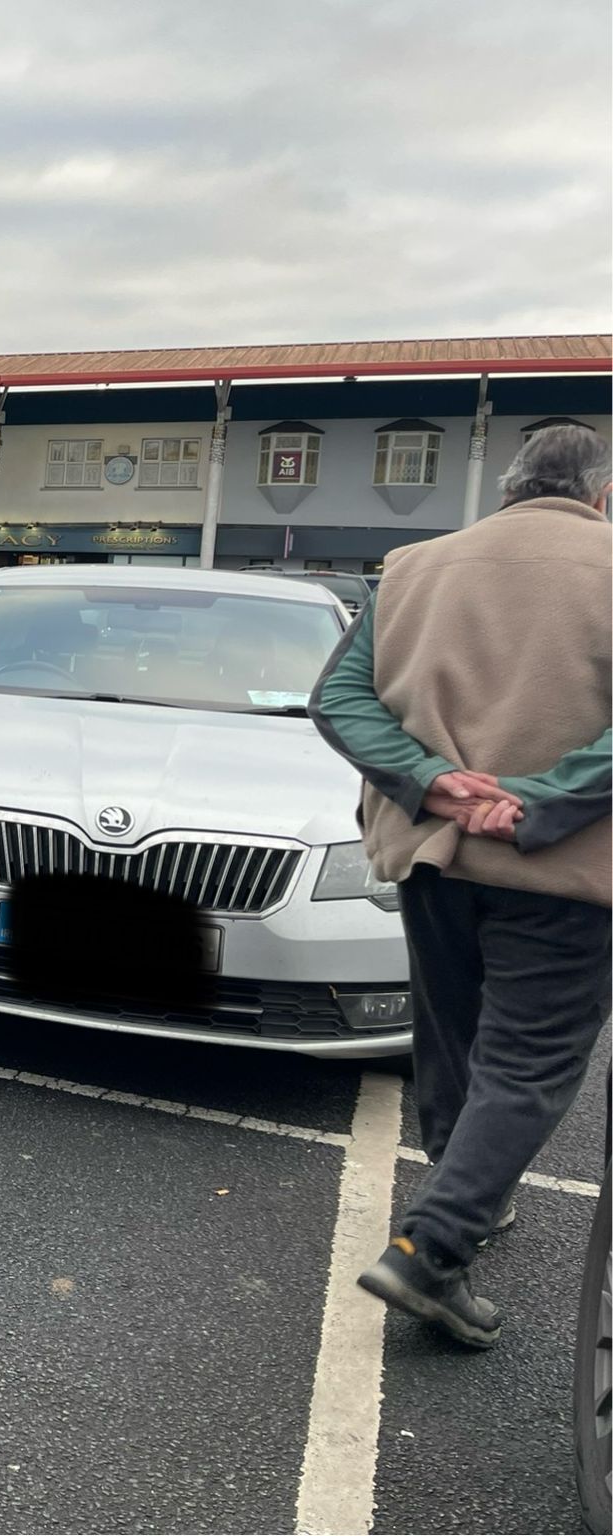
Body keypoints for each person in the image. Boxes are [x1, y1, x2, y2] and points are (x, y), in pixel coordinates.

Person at [310, 423, 611, 1349]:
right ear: (600, 495)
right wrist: (536, 803)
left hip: (431, 851)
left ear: (509, 488)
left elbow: (340, 699)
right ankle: (434, 1247)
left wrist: (432, 780)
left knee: (450, 1035)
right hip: (566, 868)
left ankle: (465, 1192)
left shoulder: (414, 567)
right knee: (529, 1064)